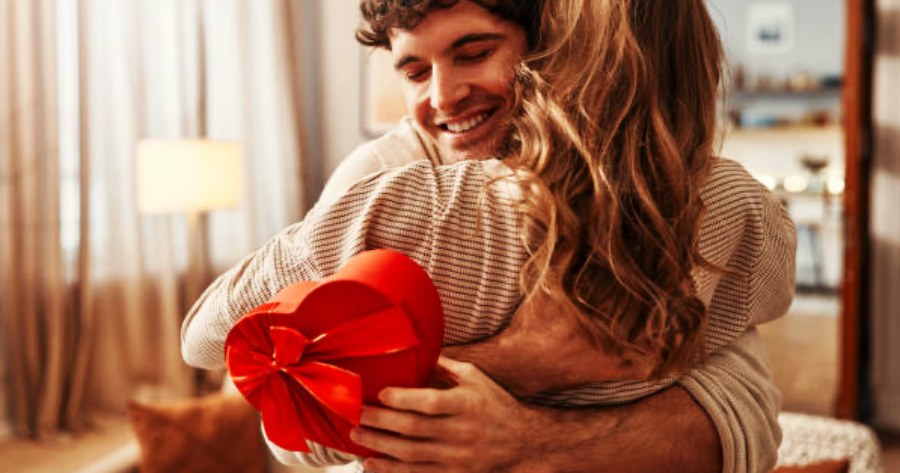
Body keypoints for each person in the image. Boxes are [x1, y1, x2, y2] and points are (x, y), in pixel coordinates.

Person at [181, 0, 796, 472]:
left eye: (474, 53)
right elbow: (293, 438)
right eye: (414, 71)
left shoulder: (690, 193)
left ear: (546, 49)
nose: (443, 97)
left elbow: (749, 418)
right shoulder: (383, 182)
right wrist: (518, 362)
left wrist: (530, 439)